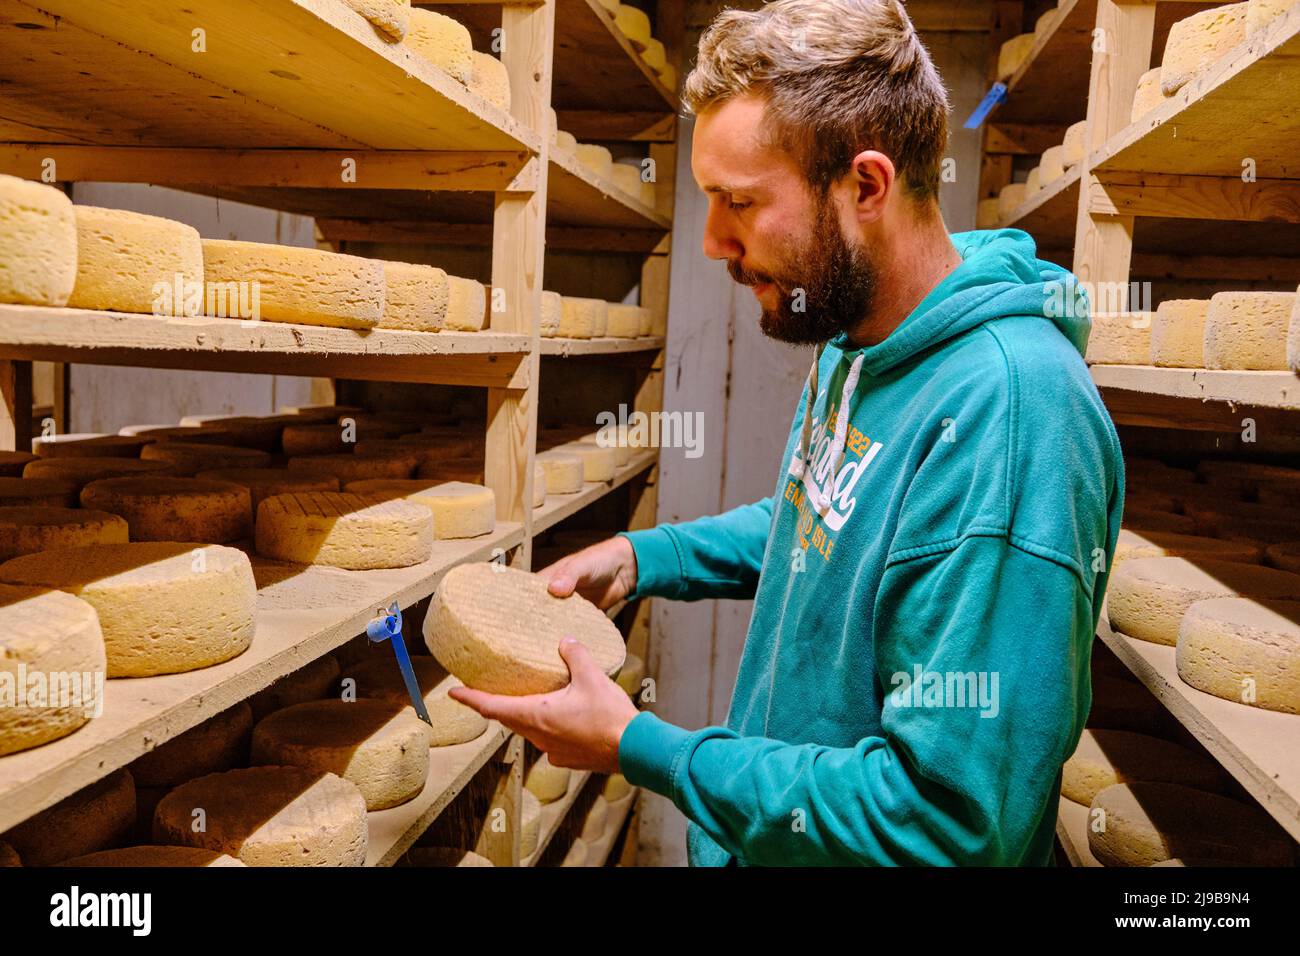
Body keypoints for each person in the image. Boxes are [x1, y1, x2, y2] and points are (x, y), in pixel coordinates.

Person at [450, 0, 1124, 866]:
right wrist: (645, 556)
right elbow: (823, 521)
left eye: (738, 202)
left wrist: (643, 749)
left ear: (866, 187)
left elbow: (944, 826)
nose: (711, 242)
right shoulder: (858, 336)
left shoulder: (1014, 419)